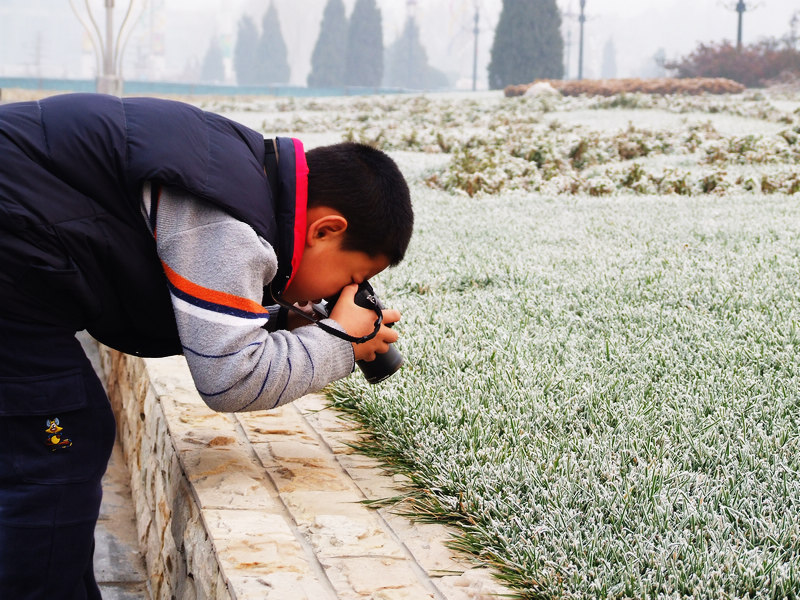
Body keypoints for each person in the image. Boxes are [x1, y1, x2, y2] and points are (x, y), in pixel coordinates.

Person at [0, 93, 413, 598]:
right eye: (352, 276)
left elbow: (201, 310)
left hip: (20, 262)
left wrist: (287, 321)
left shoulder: (238, 175)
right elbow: (230, 377)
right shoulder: (228, 221)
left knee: (54, 435)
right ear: (326, 229)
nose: (337, 294)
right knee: (56, 443)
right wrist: (341, 343)